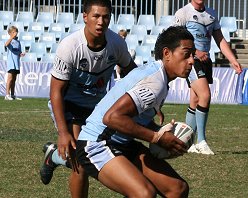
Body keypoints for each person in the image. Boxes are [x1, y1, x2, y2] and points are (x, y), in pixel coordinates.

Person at [76, 25, 195, 197]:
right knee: (144, 194)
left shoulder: (159, 76)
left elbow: (133, 118)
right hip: (96, 143)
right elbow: (112, 118)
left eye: (193, 54)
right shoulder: (155, 82)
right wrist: (157, 138)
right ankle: (59, 156)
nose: (191, 60)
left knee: (177, 189)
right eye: (186, 54)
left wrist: (158, 130)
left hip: (123, 143)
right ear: (167, 53)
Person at [39, 0, 137, 197]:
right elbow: (56, 91)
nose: (101, 21)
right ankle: (57, 154)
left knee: (88, 155)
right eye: (96, 16)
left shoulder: (117, 44)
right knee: (81, 163)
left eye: (106, 17)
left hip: (97, 108)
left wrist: (149, 98)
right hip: (69, 105)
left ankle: (53, 156)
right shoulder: (70, 46)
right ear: (85, 17)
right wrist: (62, 132)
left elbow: (131, 72)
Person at [173, 0, 243, 155]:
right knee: (205, 95)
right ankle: (201, 141)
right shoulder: (183, 13)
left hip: (206, 61)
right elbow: (176, 39)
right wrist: (195, 52)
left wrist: (232, 59)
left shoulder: (212, 14)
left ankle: (188, 142)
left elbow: (220, 39)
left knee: (195, 100)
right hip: (191, 60)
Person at [4, 26, 25, 101]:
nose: (15, 33)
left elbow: (19, 52)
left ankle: (12, 95)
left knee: (14, 79)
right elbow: (6, 44)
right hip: (11, 63)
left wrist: (21, 54)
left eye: (16, 32)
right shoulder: (9, 41)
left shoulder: (18, 42)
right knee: (10, 78)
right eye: (13, 32)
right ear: (10, 33)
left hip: (17, 63)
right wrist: (11, 37)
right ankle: (7, 95)